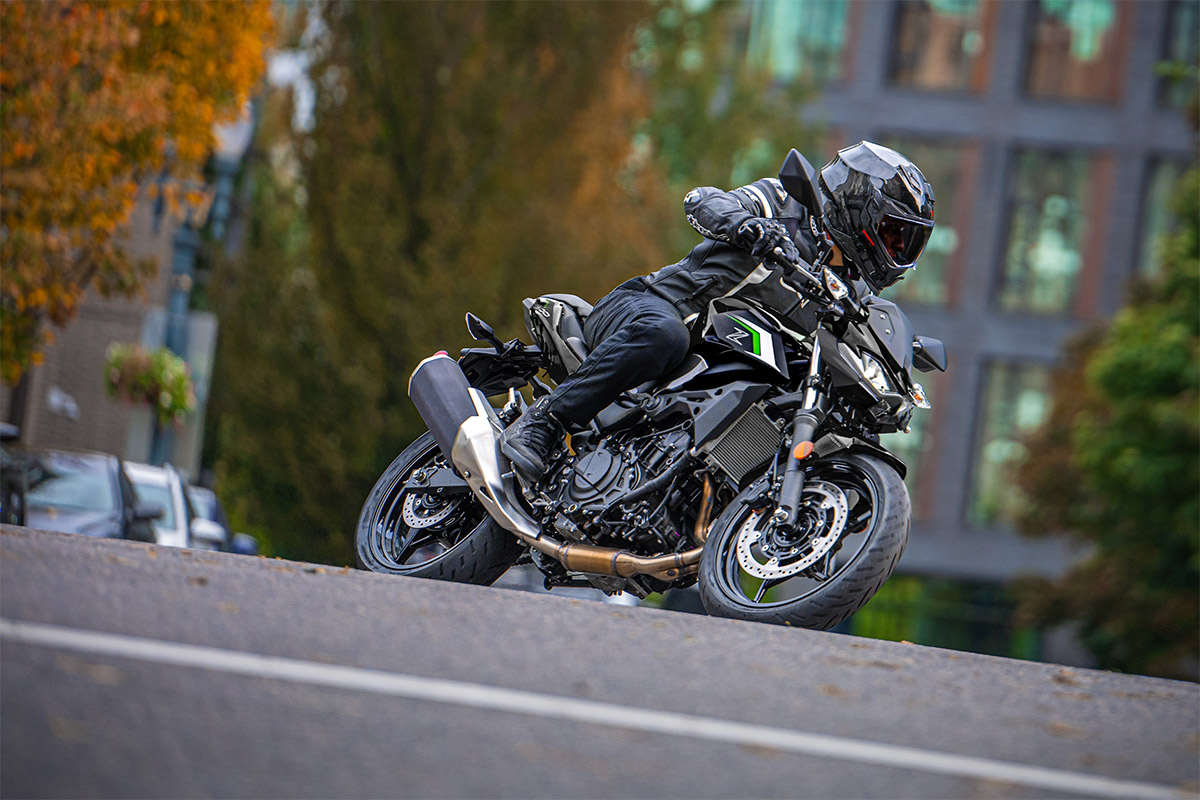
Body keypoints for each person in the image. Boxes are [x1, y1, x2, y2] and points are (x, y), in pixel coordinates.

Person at [501, 141, 935, 483]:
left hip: (714, 373)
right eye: (894, 235)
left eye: (907, 244)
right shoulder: (786, 206)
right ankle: (544, 421)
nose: (898, 251)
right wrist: (748, 227)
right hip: (650, 309)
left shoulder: (852, 294)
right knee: (664, 334)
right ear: (862, 208)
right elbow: (703, 200)